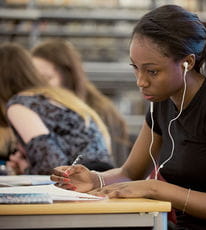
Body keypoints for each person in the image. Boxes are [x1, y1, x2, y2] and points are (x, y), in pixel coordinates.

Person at [51, 4, 206, 229]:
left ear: (187, 63)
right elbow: (130, 172)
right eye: (136, 68)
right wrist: (94, 179)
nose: (140, 81)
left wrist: (155, 188)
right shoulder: (162, 101)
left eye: (152, 71)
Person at [0, 43, 113, 175]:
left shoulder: (19, 105)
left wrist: (24, 169)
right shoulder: (55, 95)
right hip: (101, 177)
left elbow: (52, 166)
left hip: (81, 181)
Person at [31, 39, 131, 167]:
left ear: (68, 76)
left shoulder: (100, 111)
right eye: (35, 80)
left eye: (47, 78)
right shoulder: (42, 110)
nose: (39, 87)